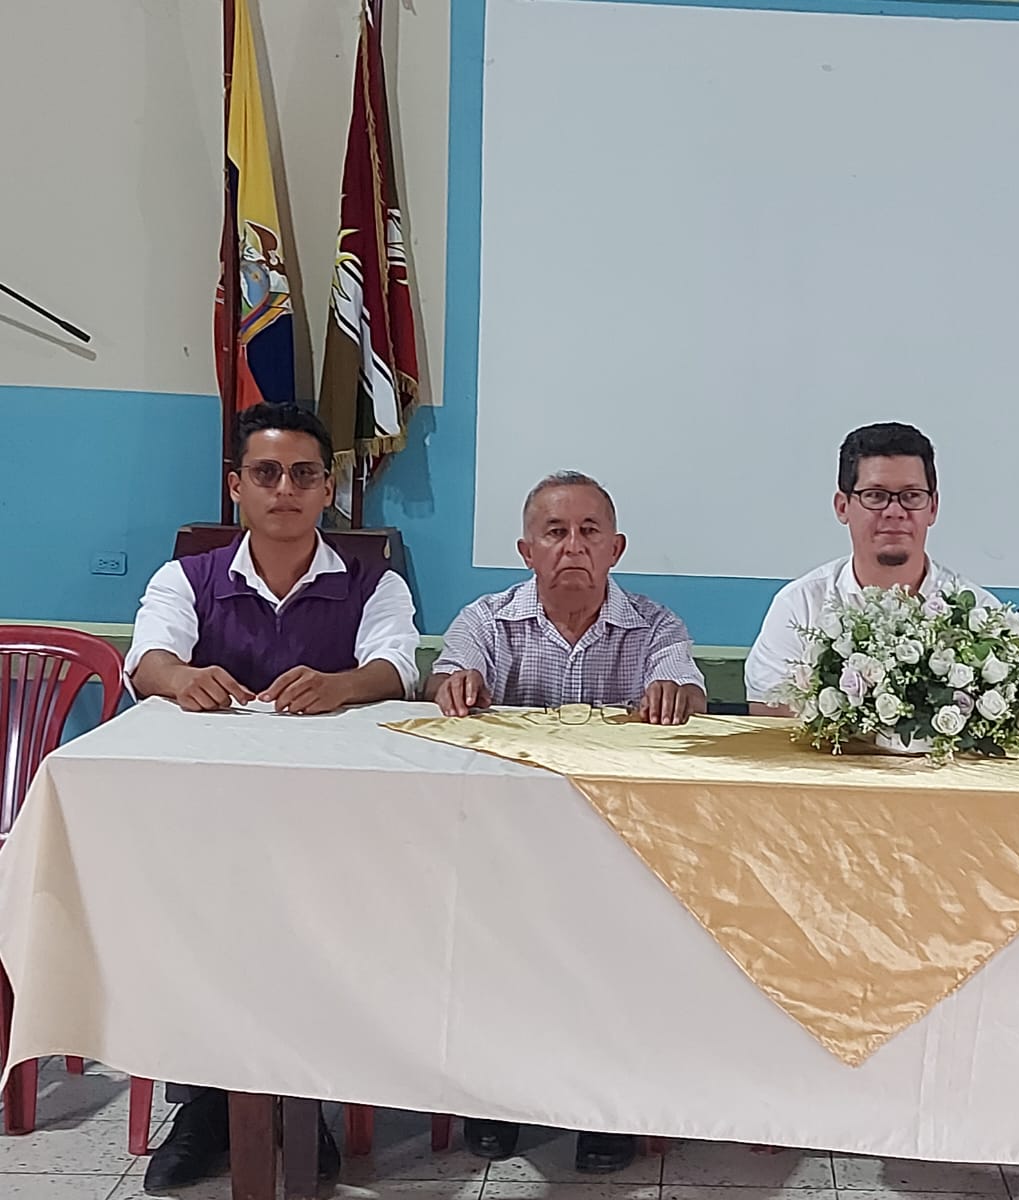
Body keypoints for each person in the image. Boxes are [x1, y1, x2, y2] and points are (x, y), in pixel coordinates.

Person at [126, 402, 420, 1191]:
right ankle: (206, 1108)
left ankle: (302, 1106)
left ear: (327, 489)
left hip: (333, 830)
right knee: (191, 936)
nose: (284, 489)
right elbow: (148, 659)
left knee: (318, 939)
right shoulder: (187, 578)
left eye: (303, 474)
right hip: (203, 826)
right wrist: (182, 677)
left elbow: (397, 666)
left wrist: (342, 685)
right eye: (266, 473)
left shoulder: (373, 582)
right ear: (237, 487)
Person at [428, 470, 706, 1171]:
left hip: (618, 849)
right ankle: (498, 1098)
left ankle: (603, 1107)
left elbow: (687, 683)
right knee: (490, 941)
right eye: (555, 532)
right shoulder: (488, 620)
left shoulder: (655, 626)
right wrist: (455, 685)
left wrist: (677, 692)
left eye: (589, 532)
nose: (573, 546)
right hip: (507, 847)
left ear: (616, 548)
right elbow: (447, 672)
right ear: (527, 551)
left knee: (621, 946)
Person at [746, 422, 998, 713]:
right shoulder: (800, 607)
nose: (895, 511)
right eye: (875, 496)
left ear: (933, 507)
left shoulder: (980, 613)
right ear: (842, 506)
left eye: (912, 496)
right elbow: (770, 720)